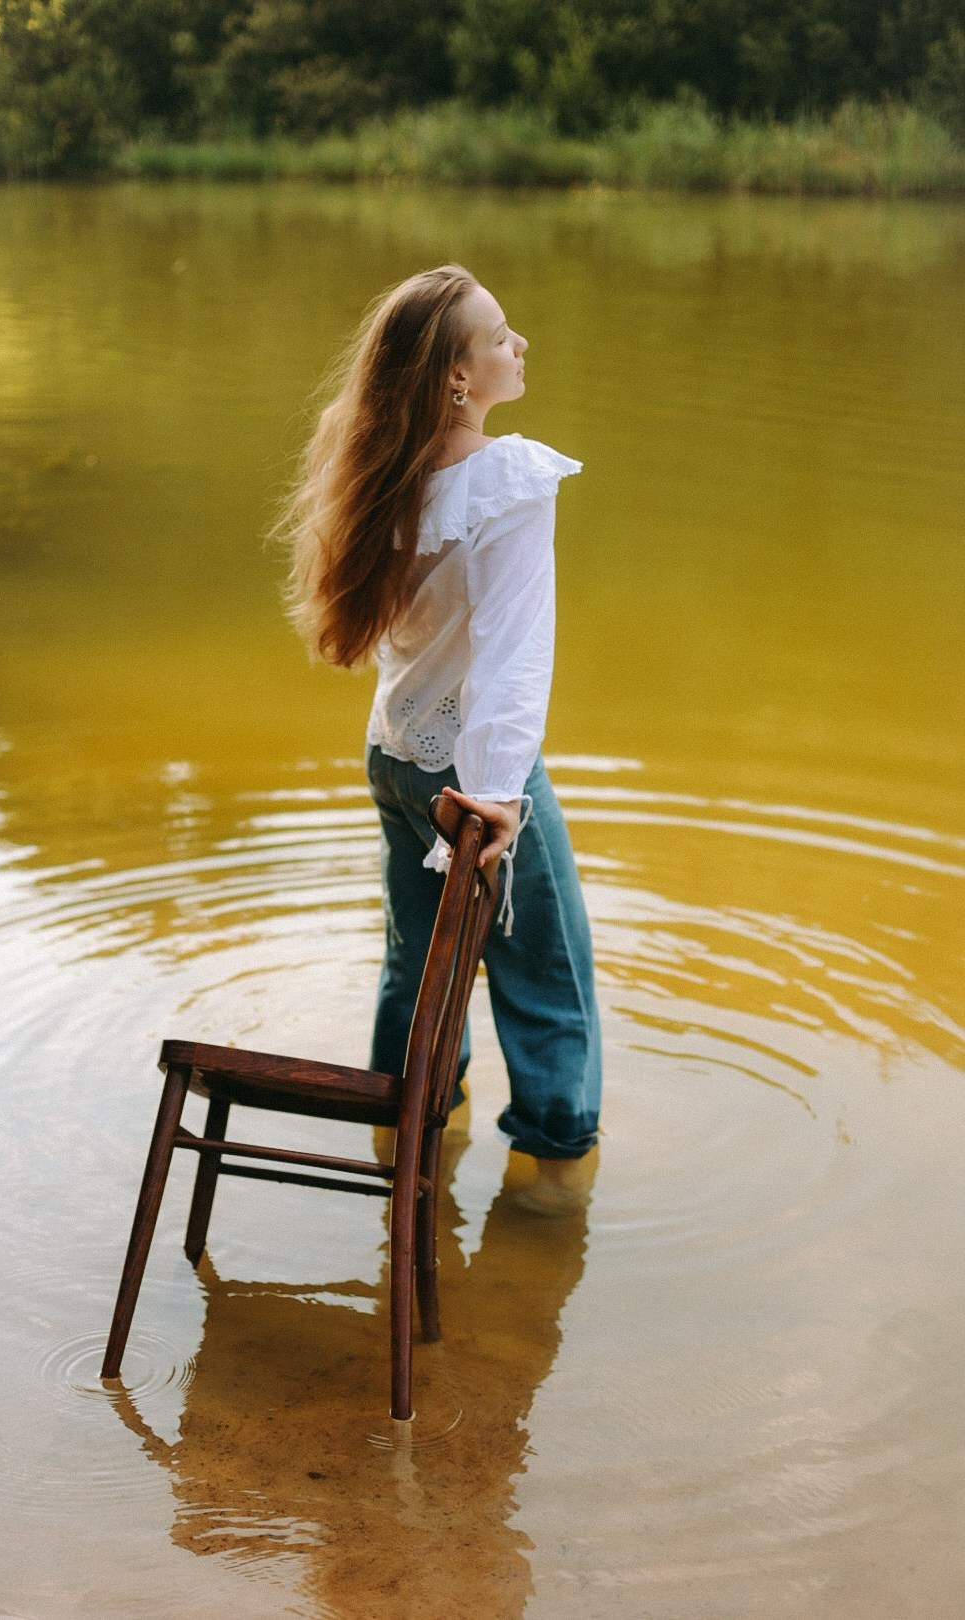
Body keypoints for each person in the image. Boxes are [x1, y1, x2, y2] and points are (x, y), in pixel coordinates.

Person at [282, 263, 601, 1211]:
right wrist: (502, 795)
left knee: (415, 967)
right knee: (549, 976)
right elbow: (513, 649)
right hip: (473, 775)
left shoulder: (380, 465)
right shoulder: (505, 477)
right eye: (502, 335)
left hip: (395, 755)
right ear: (458, 377)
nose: (520, 345)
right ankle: (553, 1182)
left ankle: (412, 1135)